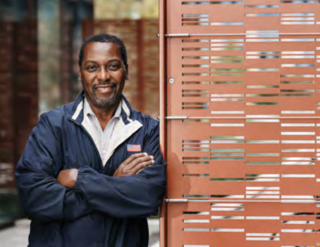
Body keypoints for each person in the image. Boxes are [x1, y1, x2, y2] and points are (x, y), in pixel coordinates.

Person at [15, 33, 167, 247]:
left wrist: (79, 179)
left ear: (126, 71)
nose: (103, 76)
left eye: (113, 66)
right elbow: (34, 198)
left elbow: (148, 198)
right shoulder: (52, 125)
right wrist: (115, 182)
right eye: (92, 67)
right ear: (80, 74)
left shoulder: (147, 130)